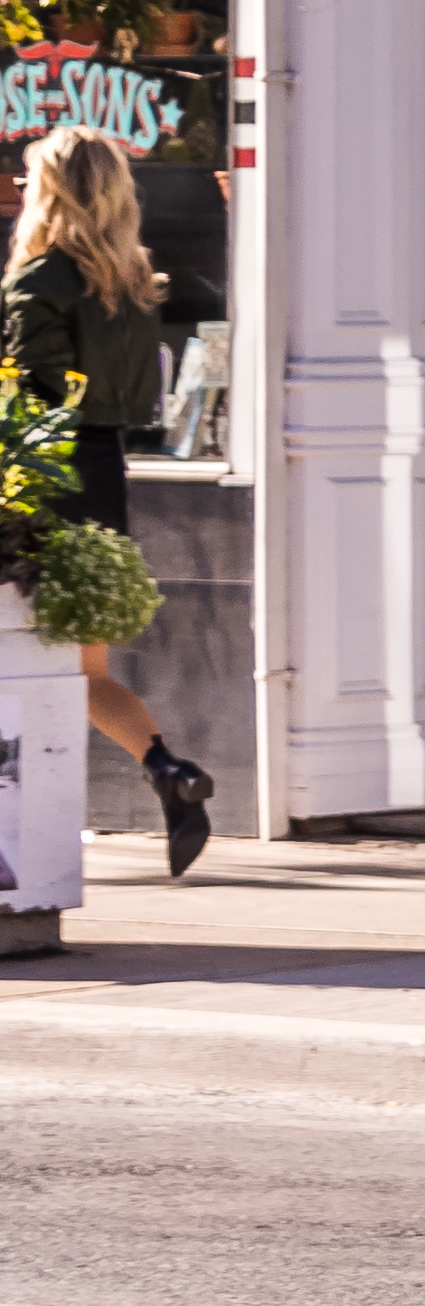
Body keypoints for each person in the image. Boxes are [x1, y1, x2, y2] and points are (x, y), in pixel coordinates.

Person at [7, 129, 195, 874]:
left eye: (30, 181)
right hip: (105, 476)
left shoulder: (39, 282)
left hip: (42, 482)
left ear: (51, 189)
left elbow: (27, 400)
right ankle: (168, 771)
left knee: (21, 658)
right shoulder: (134, 284)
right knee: (84, 672)